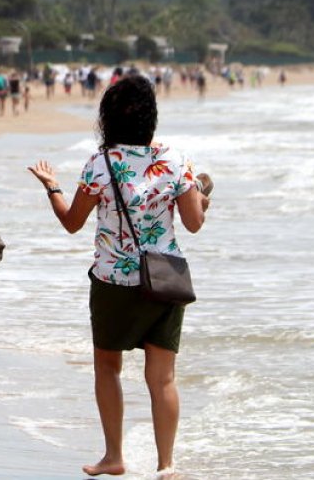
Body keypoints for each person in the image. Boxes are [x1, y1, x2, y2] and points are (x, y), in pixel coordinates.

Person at [27, 74, 209, 478]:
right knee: (162, 379)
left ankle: (114, 456)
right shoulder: (176, 160)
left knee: (108, 368)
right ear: (151, 116)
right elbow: (194, 223)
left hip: (112, 281)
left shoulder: (100, 163)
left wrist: (52, 187)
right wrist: (198, 195)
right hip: (165, 281)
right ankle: (166, 465)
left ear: (108, 117)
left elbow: (72, 223)